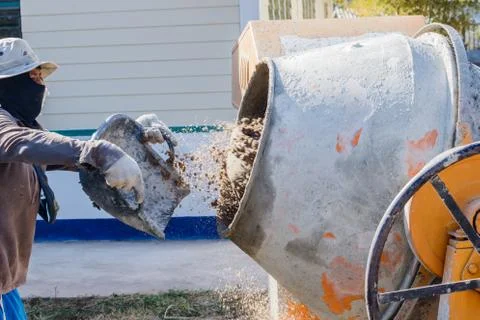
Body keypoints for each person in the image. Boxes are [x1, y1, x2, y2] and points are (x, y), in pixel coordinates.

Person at [0, 38, 167, 319]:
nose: (40, 84)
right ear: (8, 83)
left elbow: (59, 154)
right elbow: (19, 142)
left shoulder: (19, 124)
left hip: (5, 285)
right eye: (32, 76)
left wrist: (125, 146)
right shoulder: (8, 130)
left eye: (40, 76)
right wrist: (97, 151)